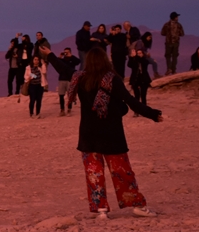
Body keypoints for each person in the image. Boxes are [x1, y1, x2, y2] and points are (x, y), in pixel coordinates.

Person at [66, 48, 162, 219]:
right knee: (122, 172)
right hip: (112, 134)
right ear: (105, 60)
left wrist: (49, 55)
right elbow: (131, 101)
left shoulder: (80, 79)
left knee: (94, 173)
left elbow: (63, 69)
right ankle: (137, 206)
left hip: (88, 134)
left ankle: (101, 210)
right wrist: (153, 114)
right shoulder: (113, 79)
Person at [39, 46, 80, 117]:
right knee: (61, 95)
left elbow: (78, 61)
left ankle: (69, 109)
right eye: (65, 52)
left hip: (70, 80)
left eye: (67, 52)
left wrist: (71, 56)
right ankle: (62, 110)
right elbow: (57, 64)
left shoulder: (73, 60)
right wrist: (60, 57)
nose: (65, 54)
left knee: (70, 96)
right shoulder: (62, 60)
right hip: (62, 79)